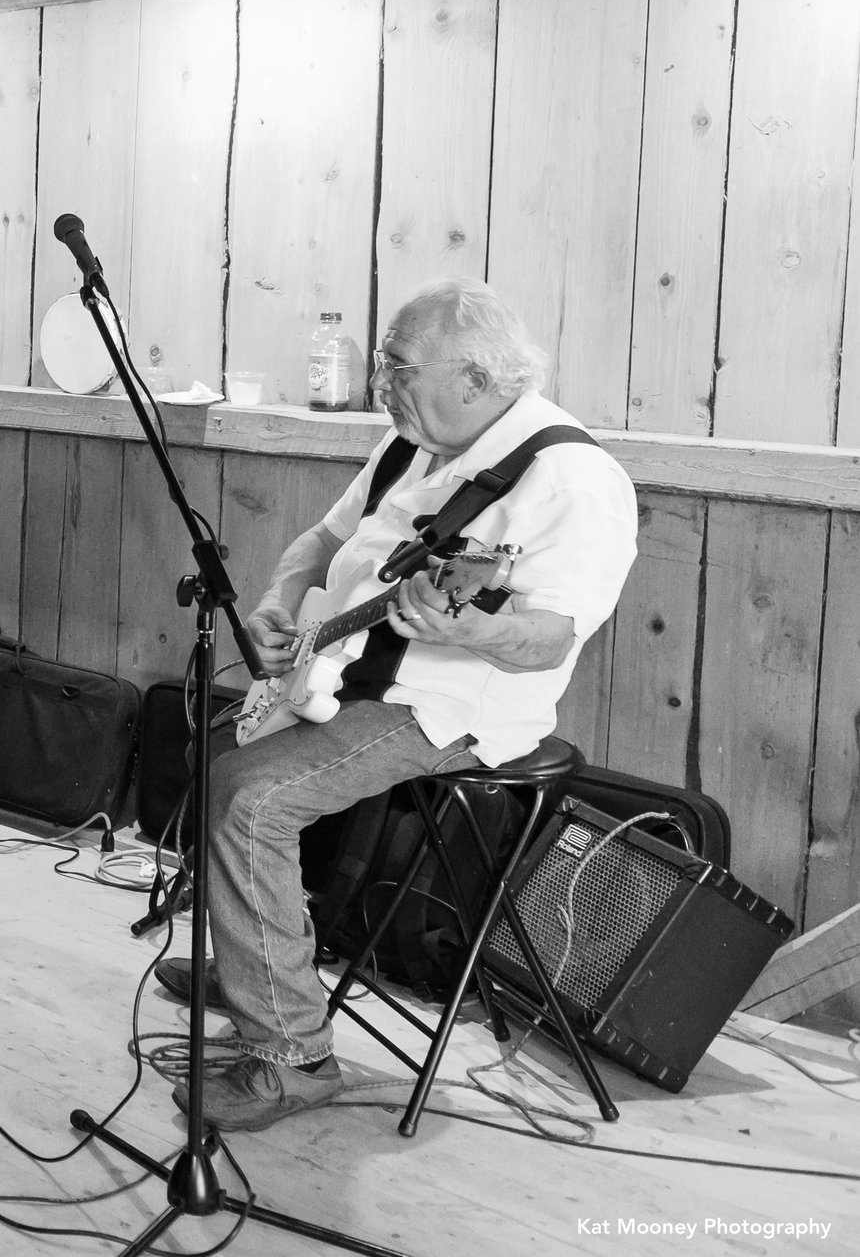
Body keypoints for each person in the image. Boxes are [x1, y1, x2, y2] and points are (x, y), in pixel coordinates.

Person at [162, 278, 638, 1131]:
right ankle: (255, 964)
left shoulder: (572, 477)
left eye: (397, 366)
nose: (382, 384)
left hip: (444, 706)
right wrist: (280, 602)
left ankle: (293, 1055)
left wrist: (467, 629)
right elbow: (325, 541)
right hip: (349, 668)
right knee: (213, 745)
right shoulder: (410, 442)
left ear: (475, 376)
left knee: (248, 795)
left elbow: (548, 638)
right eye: (383, 365)